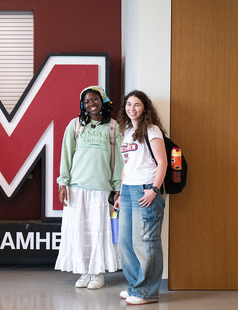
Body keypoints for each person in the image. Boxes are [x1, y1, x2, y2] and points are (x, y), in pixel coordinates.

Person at [55, 86, 123, 289]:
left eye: (94, 99)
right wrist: (63, 183)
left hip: (102, 189)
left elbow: (119, 159)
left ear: (102, 101)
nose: (91, 103)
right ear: (82, 105)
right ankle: (84, 272)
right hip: (77, 188)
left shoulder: (112, 127)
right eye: (86, 101)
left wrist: (118, 185)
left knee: (99, 231)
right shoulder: (74, 125)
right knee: (80, 231)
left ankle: (97, 273)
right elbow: (65, 156)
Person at [114, 90, 167, 305]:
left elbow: (162, 162)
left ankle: (146, 292)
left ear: (145, 108)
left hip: (146, 189)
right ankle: (135, 286)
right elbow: (127, 165)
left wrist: (153, 189)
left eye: (136, 104)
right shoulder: (126, 131)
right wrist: (120, 193)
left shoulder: (152, 130)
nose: (131, 108)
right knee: (125, 243)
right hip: (128, 190)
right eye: (128, 104)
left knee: (146, 243)